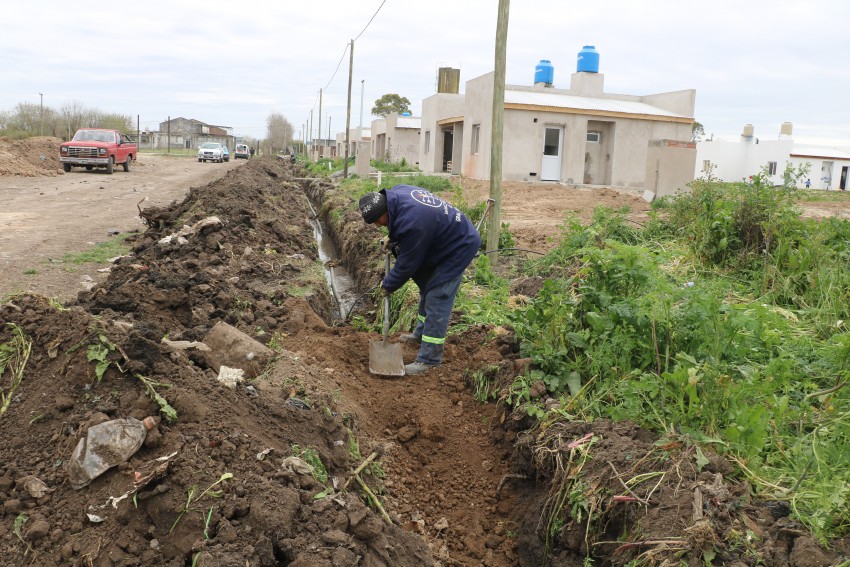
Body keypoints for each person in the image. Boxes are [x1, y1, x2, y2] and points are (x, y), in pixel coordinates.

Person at [359, 185, 481, 375]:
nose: (376, 225)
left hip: (458, 246)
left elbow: (407, 264)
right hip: (440, 237)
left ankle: (429, 360)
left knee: (437, 295)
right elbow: (408, 231)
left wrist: (388, 285)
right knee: (427, 287)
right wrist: (393, 236)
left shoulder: (413, 223)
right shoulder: (396, 195)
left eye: (376, 221)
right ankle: (421, 333)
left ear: (385, 211)